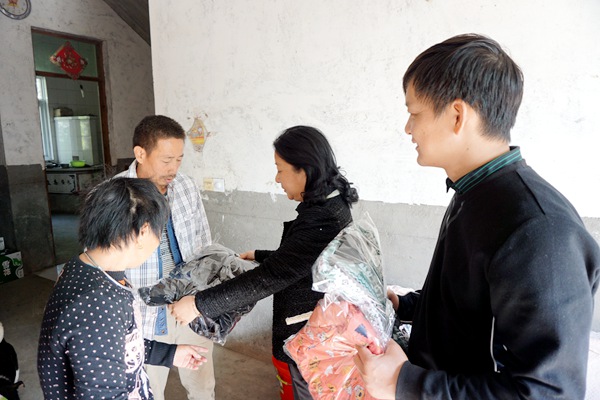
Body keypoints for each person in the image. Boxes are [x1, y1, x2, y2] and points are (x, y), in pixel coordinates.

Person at [354, 33, 600, 399]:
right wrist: (405, 305)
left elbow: (547, 393)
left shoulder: (538, 229)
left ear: (457, 115)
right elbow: (473, 308)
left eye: (414, 113)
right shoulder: (474, 192)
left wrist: (403, 383)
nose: (408, 128)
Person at [169, 125, 359, 398]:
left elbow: (269, 278)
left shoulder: (323, 217)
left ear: (303, 171)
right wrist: (259, 255)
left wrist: (199, 305)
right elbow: (306, 259)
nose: (277, 178)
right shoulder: (330, 204)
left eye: (280, 169)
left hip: (309, 334)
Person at [37, 178, 207, 399]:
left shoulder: (85, 267)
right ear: (144, 231)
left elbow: (116, 344)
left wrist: (168, 354)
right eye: (160, 231)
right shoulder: (97, 304)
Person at [114, 115, 214, 400]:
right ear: (140, 153)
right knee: (148, 390)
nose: (173, 169)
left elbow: (203, 243)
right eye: (166, 160)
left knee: (202, 387)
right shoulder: (114, 195)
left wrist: (203, 298)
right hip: (142, 313)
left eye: (179, 159)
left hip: (190, 306)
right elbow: (103, 263)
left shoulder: (185, 186)